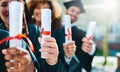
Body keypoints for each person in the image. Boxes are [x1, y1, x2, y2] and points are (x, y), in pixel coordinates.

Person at [0, 0, 59, 72]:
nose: (10, 8)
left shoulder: (35, 31)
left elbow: (43, 67)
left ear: (23, 7)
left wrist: (51, 61)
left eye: (15, 4)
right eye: (4, 5)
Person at [27, 0, 79, 72]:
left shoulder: (58, 30)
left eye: (45, 9)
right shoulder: (26, 29)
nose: (41, 11)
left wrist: (67, 56)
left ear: (51, 12)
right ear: (32, 9)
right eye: (37, 7)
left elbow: (64, 59)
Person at [63, 0, 97, 72]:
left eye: (77, 13)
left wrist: (90, 48)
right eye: (72, 10)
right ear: (66, 10)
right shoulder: (55, 28)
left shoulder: (80, 32)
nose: (74, 14)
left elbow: (92, 46)